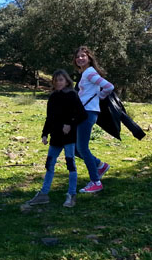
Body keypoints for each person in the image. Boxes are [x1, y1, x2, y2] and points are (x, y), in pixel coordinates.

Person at [27, 70, 87, 208]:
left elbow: (82, 114)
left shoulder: (72, 95)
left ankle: (71, 194)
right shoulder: (53, 96)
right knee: (49, 164)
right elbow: (49, 117)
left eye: (61, 80)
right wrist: (44, 134)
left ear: (66, 81)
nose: (58, 82)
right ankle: (43, 194)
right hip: (55, 136)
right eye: (55, 80)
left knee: (70, 164)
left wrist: (70, 124)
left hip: (69, 137)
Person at [74, 46, 114, 193]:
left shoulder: (89, 73)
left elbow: (109, 86)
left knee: (82, 148)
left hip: (88, 112)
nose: (80, 58)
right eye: (77, 56)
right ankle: (100, 165)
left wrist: (100, 97)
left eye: (83, 56)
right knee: (75, 148)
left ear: (89, 58)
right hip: (83, 112)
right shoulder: (85, 73)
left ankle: (96, 182)